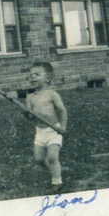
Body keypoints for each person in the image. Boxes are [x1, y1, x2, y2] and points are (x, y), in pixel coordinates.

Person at [25, 61, 67, 191]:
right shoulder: (30, 97)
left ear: (48, 78)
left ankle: (57, 182)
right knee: (38, 159)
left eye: (37, 74)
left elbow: (62, 110)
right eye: (30, 75)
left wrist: (63, 127)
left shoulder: (52, 94)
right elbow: (30, 117)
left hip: (53, 130)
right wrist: (26, 113)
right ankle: (54, 171)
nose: (32, 77)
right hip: (40, 131)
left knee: (52, 157)